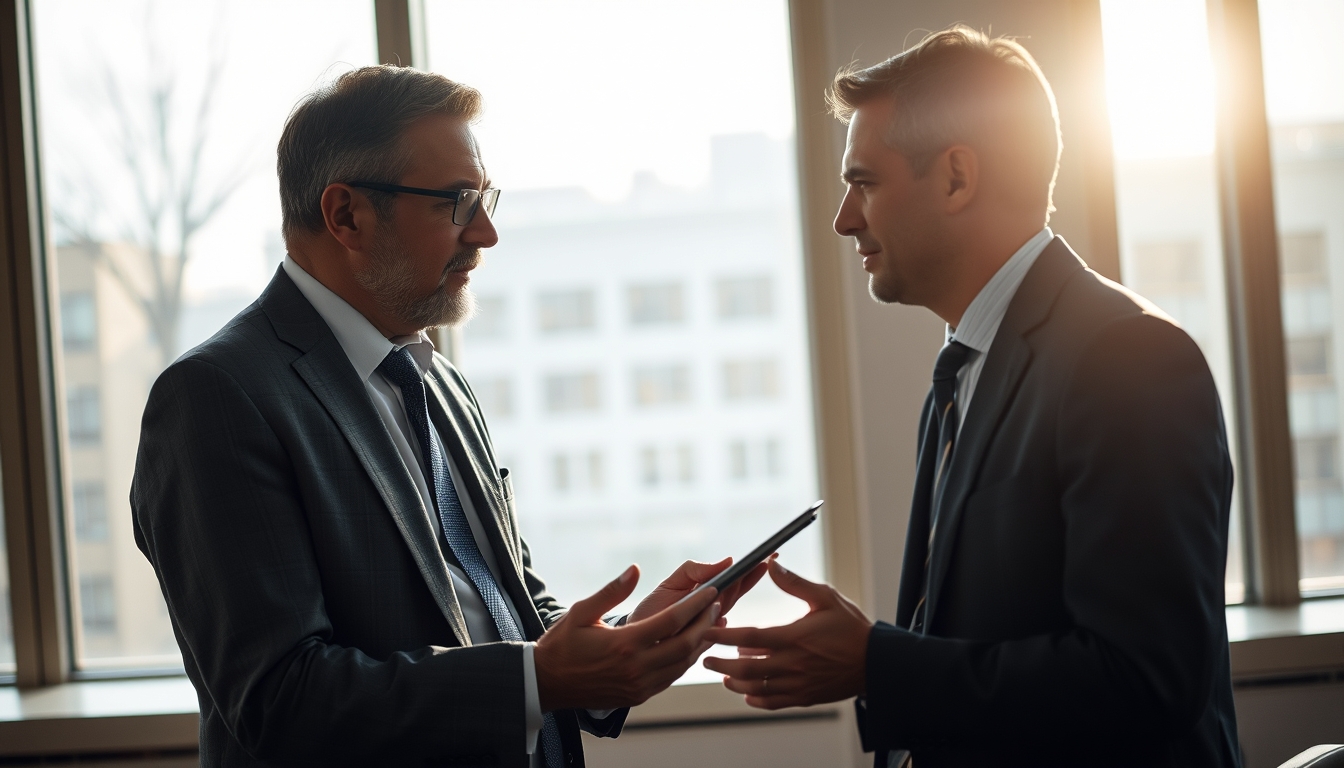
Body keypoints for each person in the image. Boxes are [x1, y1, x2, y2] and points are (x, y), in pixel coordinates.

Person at [131, 65, 765, 768]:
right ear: (346, 215)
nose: (487, 234)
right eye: (459, 202)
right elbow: (280, 701)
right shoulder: (216, 398)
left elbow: (498, 601)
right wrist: (542, 678)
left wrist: (618, 645)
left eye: (484, 198)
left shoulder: (440, 381)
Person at [703, 26, 1241, 768]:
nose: (843, 218)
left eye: (863, 181)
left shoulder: (1130, 359)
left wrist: (877, 663)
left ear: (957, 177)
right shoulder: (961, 370)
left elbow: (1144, 681)